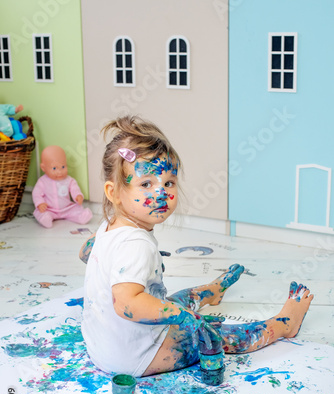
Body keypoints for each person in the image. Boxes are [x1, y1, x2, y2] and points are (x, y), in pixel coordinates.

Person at [81, 116, 313, 378]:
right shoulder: (136, 245)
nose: (161, 193)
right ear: (113, 193)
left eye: (168, 182)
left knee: (168, 302)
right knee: (213, 333)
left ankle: (212, 291)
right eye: (146, 184)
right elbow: (127, 305)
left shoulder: (108, 227)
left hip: (104, 347)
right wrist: (181, 316)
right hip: (137, 357)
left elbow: (85, 253)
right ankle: (284, 325)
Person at [32, 145, 93, 228]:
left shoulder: (69, 180)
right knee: (39, 212)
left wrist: (78, 196)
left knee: (76, 208)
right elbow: (36, 193)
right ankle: (45, 219)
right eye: (54, 168)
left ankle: (82, 216)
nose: (60, 172)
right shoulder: (42, 181)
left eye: (63, 167)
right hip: (50, 209)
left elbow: (75, 189)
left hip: (66, 208)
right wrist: (40, 203)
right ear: (43, 167)